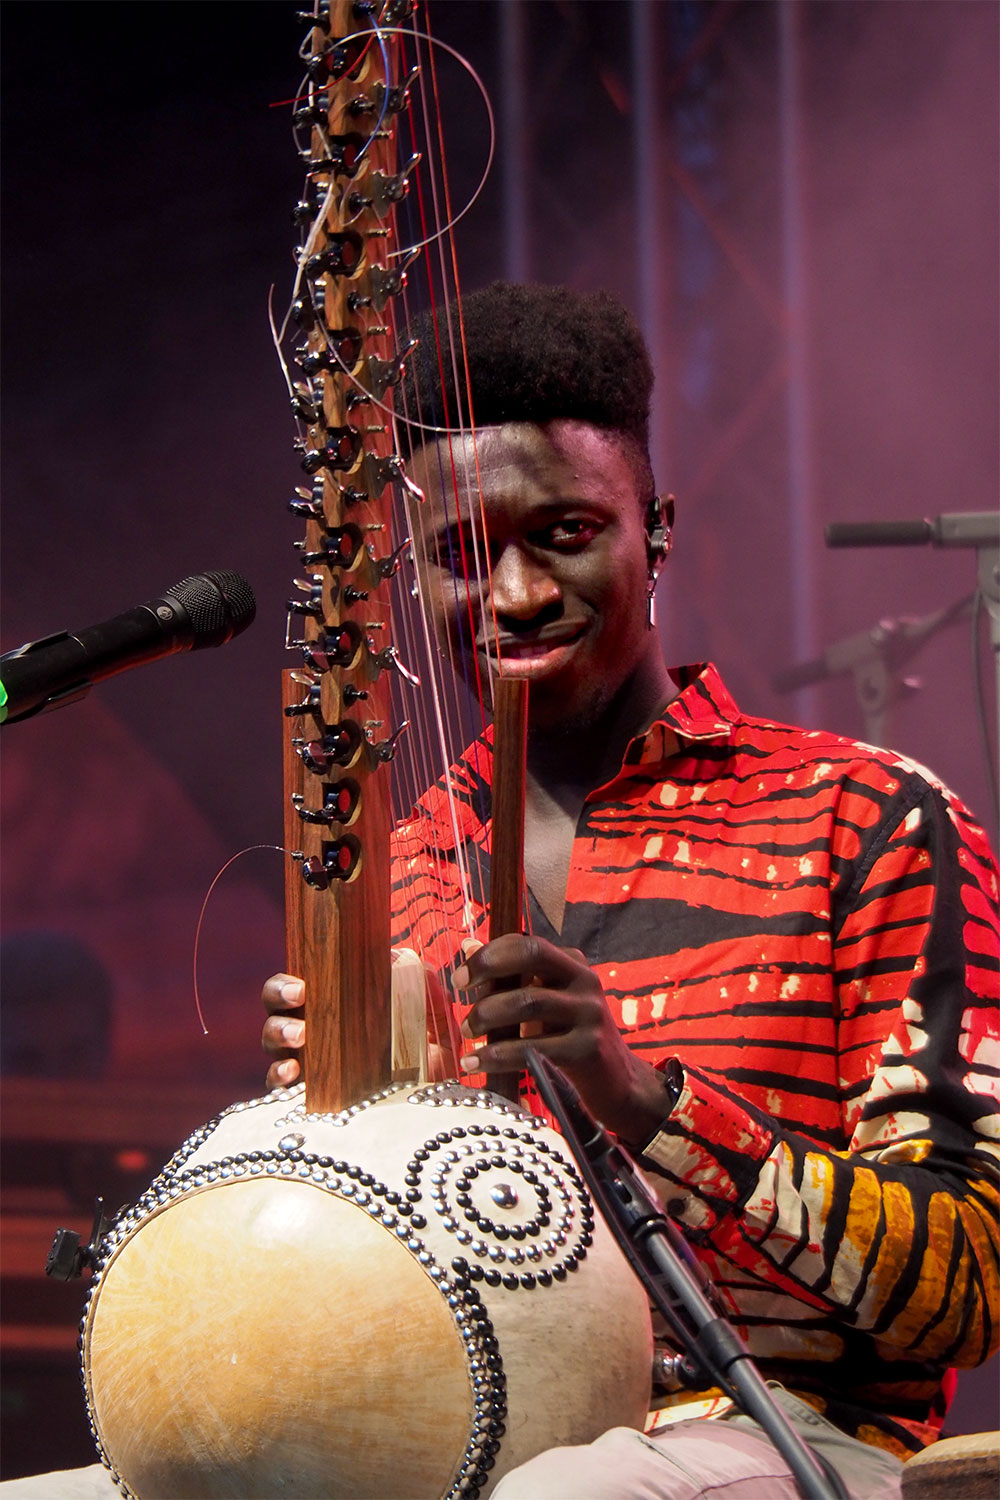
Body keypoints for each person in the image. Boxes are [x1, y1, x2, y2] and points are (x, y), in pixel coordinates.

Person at [5, 284, 996, 1499]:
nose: (516, 593)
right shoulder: (405, 856)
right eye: (464, 555)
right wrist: (340, 1111)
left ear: (658, 529)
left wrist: (638, 1099)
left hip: (772, 1428)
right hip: (449, 1422)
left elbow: (967, 1285)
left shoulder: (865, 817)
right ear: (414, 579)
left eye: (567, 533)